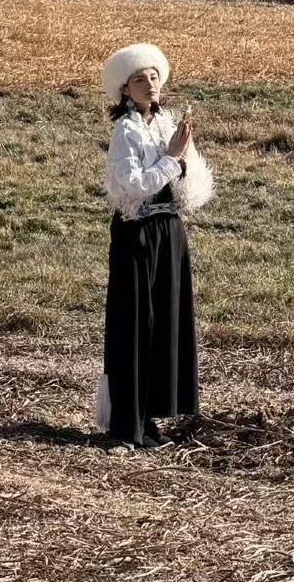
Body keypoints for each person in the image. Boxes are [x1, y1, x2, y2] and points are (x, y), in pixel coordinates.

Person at [95, 43, 215, 448]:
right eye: (140, 79)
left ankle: (151, 419)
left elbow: (189, 187)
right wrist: (171, 159)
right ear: (125, 91)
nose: (150, 85)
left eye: (154, 77)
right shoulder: (124, 132)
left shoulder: (167, 126)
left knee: (165, 323)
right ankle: (127, 424)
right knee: (135, 324)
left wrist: (183, 159)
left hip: (170, 234)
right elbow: (133, 187)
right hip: (137, 234)